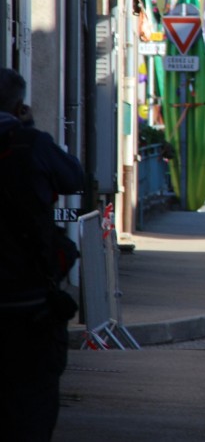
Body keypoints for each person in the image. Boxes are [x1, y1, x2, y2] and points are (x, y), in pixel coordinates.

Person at [0, 68, 86, 440]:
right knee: (31, 401)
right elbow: (74, 180)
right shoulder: (30, 143)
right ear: (19, 105)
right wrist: (30, 126)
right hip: (26, 298)